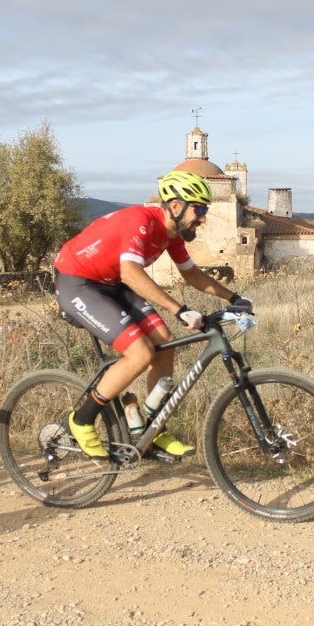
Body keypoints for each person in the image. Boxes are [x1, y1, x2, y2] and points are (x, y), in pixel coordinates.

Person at [53, 170, 254, 459]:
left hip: (111, 282)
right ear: (175, 206)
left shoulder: (171, 235)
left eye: (205, 210)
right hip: (78, 282)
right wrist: (180, 310)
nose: (203, 218)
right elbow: (130, 272)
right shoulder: (142, 223)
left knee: (165, 344)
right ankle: (81, 420)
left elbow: (193, 275)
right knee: (141, 354)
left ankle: (150, 430)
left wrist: (234, 298)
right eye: (199, 209)